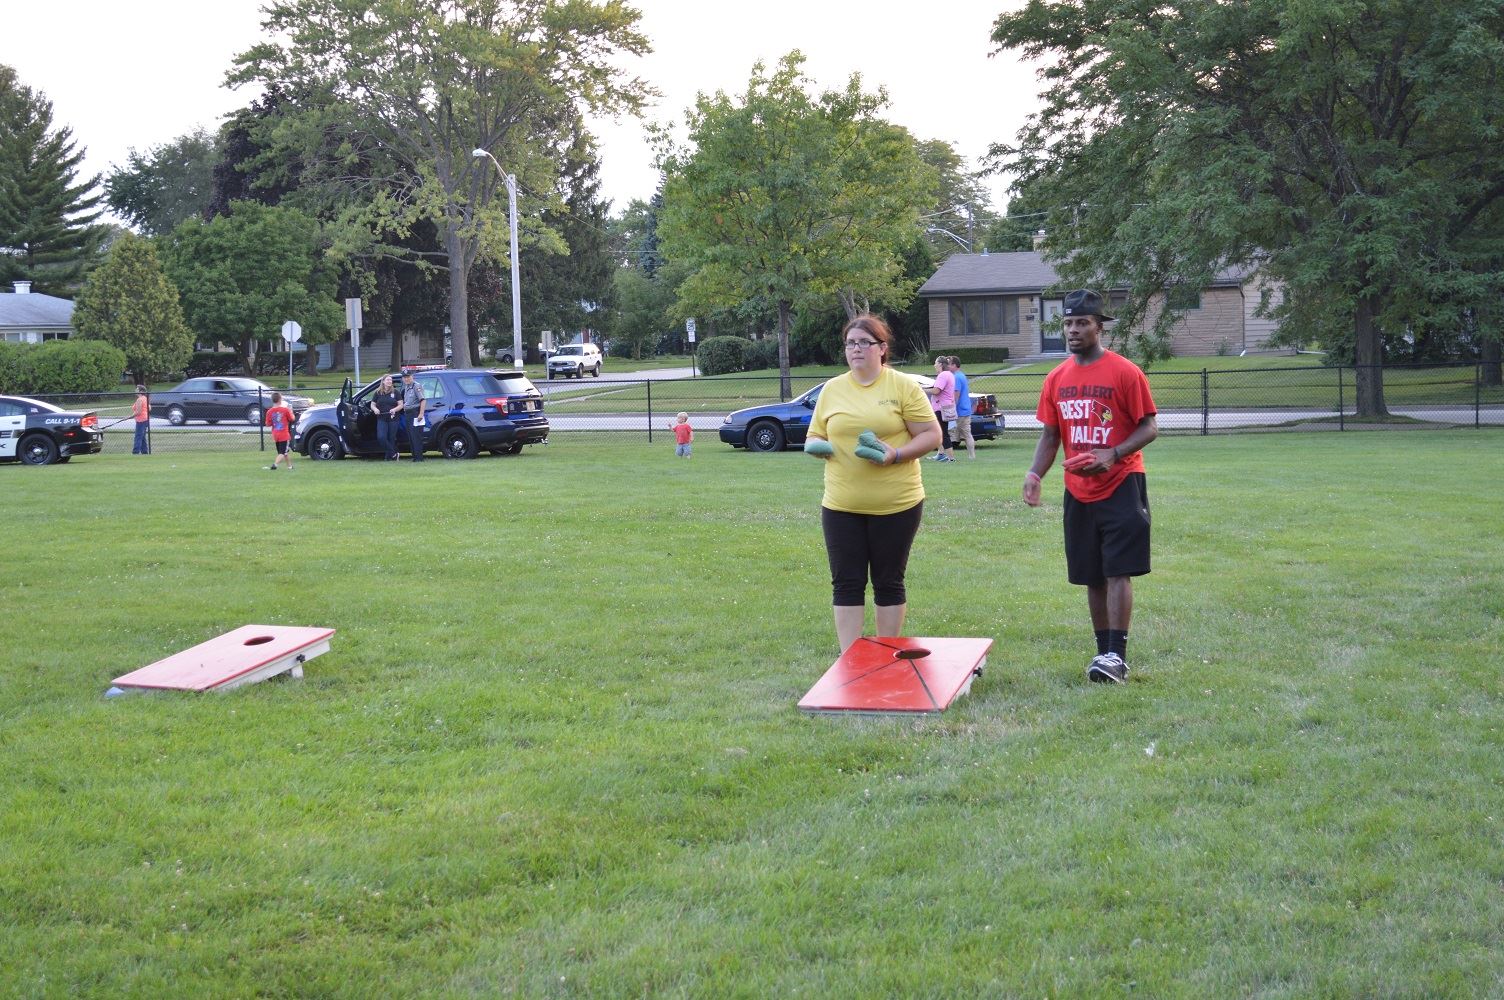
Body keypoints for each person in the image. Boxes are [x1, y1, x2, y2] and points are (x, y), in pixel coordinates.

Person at [1022, 289, 1158, 684]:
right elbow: (1050, 436)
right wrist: (1034, 475)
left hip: (1122, 481)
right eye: (1068, 323)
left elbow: (1150, 426)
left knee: (1119, 571)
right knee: (1092, 574)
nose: (1073, 330)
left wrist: (1112, 454)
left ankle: (1118, 655)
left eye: (1082, 323)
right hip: (1077, 490)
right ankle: (1104, 654)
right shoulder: (1056, 377)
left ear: (1100, 327)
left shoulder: (1125, 372)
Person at [806, 313, 941, 652]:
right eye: (850, 343)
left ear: (882, 349)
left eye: (864, 343)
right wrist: (818, 447)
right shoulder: (833, 389)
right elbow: (815, 433)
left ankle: (884, 655)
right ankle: (851, 659)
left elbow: (932, 435)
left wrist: (896, 454)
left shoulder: (902, 386)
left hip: (896, 503)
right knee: (846, 583)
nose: (856, 349)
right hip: (841, 505)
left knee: (888, 582)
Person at [923, 354, 956, 461]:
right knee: (938, 432)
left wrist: (920, 389)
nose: (934, 365)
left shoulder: (943, 375)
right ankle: (941, 454)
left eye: (936, 363)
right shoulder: (949, 374)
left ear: (940, 364)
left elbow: (936, 391)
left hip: (940, 409)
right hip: (943, 407)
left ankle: (951, 458)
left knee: (943, 433)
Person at [948, 357, 976, 459]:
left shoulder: (956, 377)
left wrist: (952, 409)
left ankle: (945, 455)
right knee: (967, 434)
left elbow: (956, 395)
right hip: (966, 409)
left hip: (960, 411)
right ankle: (972, 456)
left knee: (949, 433)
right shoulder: (962, 375)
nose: (948, 366)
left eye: (950, 364)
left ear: (954, 365)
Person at [371, 374, 401, 461]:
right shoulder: (377, 392)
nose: (389, 381)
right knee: (381, 437)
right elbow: (372, 404)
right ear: (383, 381)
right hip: (381, 419)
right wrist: (375, 409)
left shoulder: (396, 392)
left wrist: (394, 409)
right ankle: (394, 453)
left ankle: (388, 458)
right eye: (387, 380)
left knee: (391, 438)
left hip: (393, 418)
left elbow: (401, 405)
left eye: (390, 380)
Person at [264, 391, 296, 471]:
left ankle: (290, 467)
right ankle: (275, 465)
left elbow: (268, 424)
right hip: (284, 434)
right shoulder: (285, 410)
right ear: (280, 399)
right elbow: (292, 419)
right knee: (282, 452)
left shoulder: (269, 411)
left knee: (284, 452)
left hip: (275, 434)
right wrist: (291, 411)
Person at [400, 370, 426, 462]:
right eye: (404, 377)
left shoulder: (416, 386)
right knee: (411, 436)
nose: (406, 379)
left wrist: (421, 414)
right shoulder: (406, 387)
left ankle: (419, 458)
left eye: (408, 376)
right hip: (408, 414)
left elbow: (423, 400)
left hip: (415, 413)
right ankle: (415, 457)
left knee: (416, 436)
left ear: (412, 376)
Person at [131, 385, 150, 455]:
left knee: (138, 436)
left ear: (141, 391)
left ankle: (135, 452)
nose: (135, 390)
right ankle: (144, 452)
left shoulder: (140, 399)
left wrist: (130, 417)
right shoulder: (145, 398)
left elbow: (138, 412)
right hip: (145, 419)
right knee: (142, 437)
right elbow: (149, 408)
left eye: (137, 389)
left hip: (141, 420)